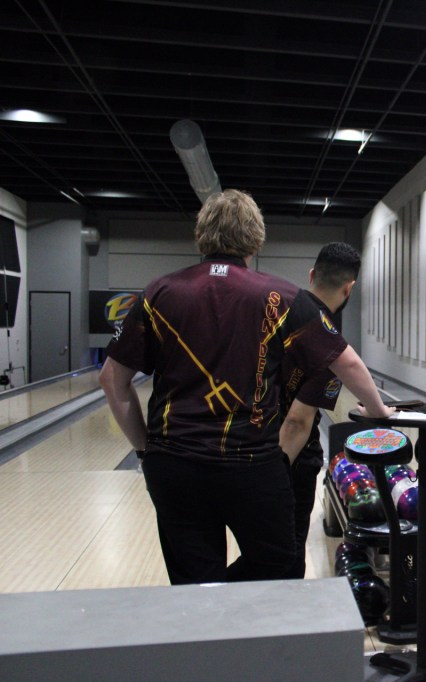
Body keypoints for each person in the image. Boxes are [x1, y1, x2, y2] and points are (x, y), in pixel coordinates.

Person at [99, 190, 392, 585]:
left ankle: (207, 608)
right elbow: (348, 362)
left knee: (193, 580)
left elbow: (112, 380)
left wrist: (144, 449)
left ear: (201, 234)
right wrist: (378, 410)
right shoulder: (282, 296)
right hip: (252, 463)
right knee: (279, 558)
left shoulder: (159, 292)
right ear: (256, 239)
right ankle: (225, 604)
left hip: (174, 463)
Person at [227, 241, 364, 580]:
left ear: (312, 274)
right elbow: (297, 422)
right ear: (350, 288)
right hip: (288, 462)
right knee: (285, 558)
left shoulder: (270, 314)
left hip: (242, 448)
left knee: (259, 552)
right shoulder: (328, 342)